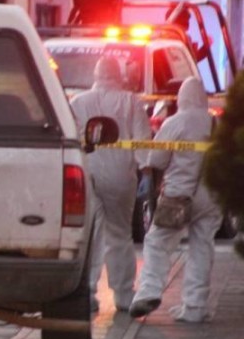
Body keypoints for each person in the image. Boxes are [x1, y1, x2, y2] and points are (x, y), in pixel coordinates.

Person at [129, 76, 223, 322]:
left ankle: (148, 292)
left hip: (178, 195)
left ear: (181, 98)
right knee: (202, 247)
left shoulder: (175, 122)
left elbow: (157, 159)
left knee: (157, 242)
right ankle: (194, 307)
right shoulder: (216, 123)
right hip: (211, 196)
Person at [70, 54, 152, 313]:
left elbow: (71, 139)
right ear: (119, 75)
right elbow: (142, 142)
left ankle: (87, 292)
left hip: (87, 175)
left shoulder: (78, 102)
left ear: (95, 75)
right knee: (119, 233)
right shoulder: (130, 103)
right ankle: (123, 294)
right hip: (120, 178)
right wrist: (146, 172)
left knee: (90, 234)